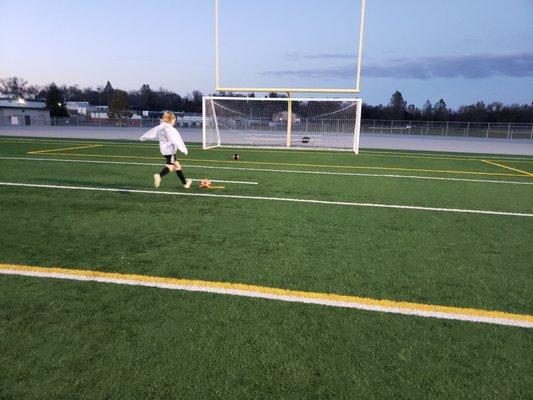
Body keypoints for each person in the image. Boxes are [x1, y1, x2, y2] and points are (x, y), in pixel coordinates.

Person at [140, 111, 192, 189]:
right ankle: (159, 176)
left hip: (164, 150)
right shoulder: (170, 129)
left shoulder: (161, 127)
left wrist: (143, 137)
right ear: (171, 120)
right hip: (170, 151)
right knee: (171, 166)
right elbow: (176, 140)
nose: (174, 122)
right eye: (174, 120)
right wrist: (183, 149)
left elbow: (151, 132)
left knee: (177, 165)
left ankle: (185, 183)